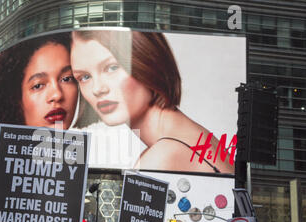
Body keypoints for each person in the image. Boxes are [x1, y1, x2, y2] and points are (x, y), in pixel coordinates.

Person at [70, 30, 234, 173]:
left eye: (112, 67)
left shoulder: (162, 158)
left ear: (147, 61)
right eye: (85, 77)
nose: (97, 88)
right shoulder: (190, 137)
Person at [0, 32, 79, 165]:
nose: (57, 95)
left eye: (66, 79)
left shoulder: (84, 156)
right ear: (15, 98)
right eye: (38, 85)